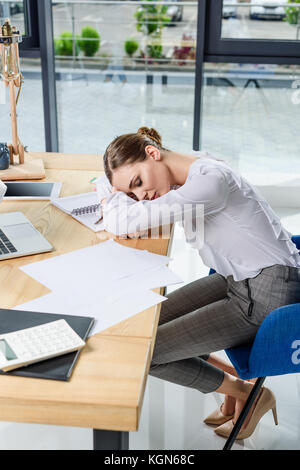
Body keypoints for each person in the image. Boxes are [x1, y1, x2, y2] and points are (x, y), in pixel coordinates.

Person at [96, 126, 300, 441]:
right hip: (237, 279)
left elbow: (127, 221)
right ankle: (235, 382)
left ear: (152, 153)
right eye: (131, 193)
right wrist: (120, 196)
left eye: (138, 182)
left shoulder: (209, 183)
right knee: (143, 324)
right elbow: (133, 214)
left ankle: (247, 394)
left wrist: (112, 199)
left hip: (267, 294)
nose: (142, 196)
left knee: (147, 353)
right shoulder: (194, 167)